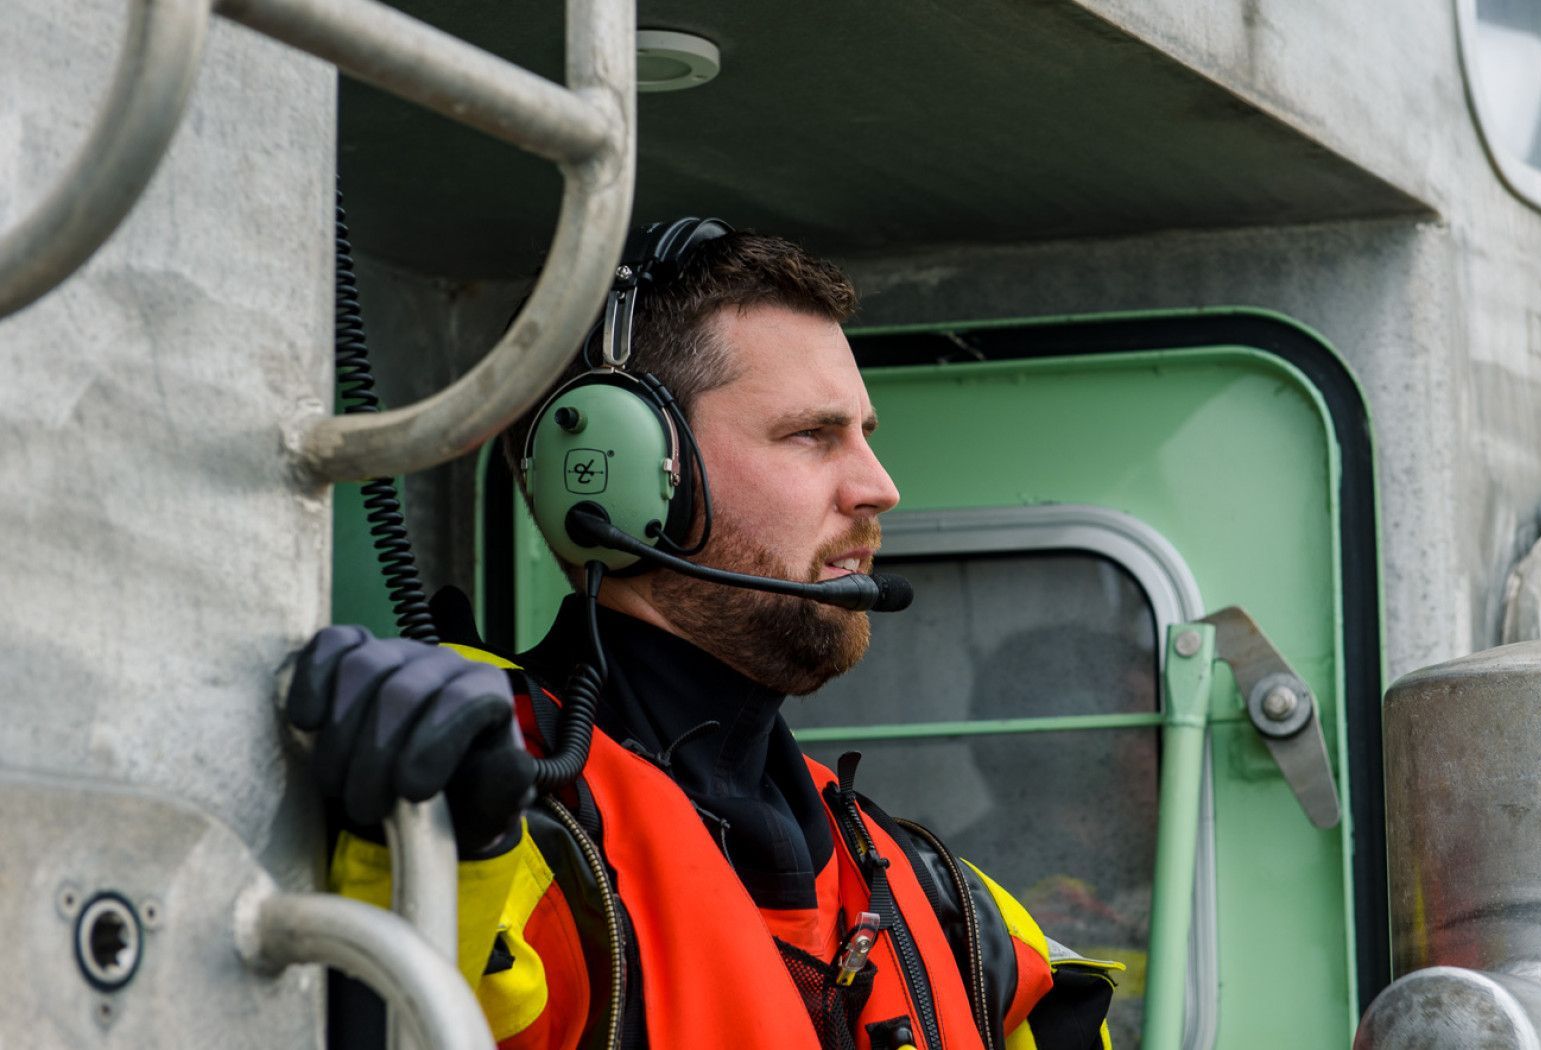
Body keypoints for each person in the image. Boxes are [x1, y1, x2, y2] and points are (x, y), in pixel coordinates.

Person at [288, 220, 1118, 1050]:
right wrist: (424, 826)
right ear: (619, 473)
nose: (879, 488)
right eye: (811, 435)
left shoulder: (950, 911)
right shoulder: (482, 834)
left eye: (866, 436)